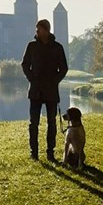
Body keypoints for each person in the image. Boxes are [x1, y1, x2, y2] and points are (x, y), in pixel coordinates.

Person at [21, 19, 68, 162]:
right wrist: (31, 79)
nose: (36, 31)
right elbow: (24, 64)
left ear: (46, 30)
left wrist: (55, 81)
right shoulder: (31, 46)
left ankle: (50, 153)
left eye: (39, 29)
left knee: (52, 123)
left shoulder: (57, 47)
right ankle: (34, 152)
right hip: (35, 90)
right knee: (33, 123)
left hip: (51, 91)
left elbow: (64, 68)